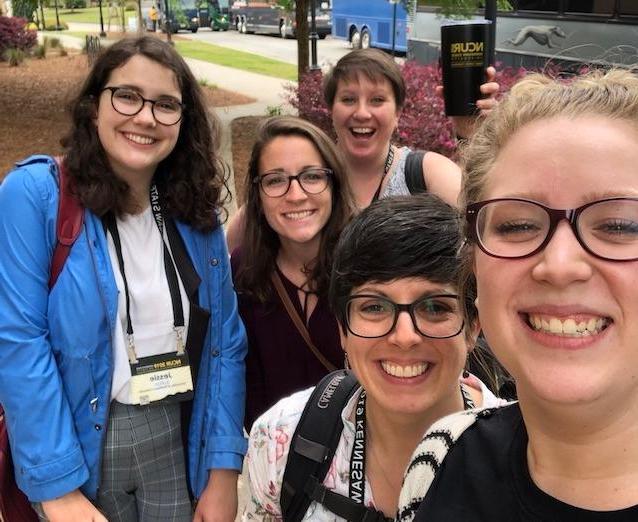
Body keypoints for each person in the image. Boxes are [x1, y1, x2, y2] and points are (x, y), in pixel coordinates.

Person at [0, 36, 247, 522]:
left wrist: (222, 470)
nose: (146, 117)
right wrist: (58, 489)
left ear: (184, 121)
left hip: (177, 438)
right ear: (95, 105)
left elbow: (225, 342)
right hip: (79, 443)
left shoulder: (194, 213)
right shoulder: (35, 195)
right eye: (128, 96)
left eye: (166, 104)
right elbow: (17, 340)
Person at [398, 69, 638, 521]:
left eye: (620, 225)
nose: (560, 264)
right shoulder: (441, 458)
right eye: (518, 225)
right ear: (474, 266)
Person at [242, 194, 505, 520]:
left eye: (435, 307)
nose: (405, 336)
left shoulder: (532, 461)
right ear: (343, 329)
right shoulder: (279, 441)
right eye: (375, 307)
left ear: (473, 326)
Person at [225, 49, 498, 252]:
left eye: (377, 100)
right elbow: (231, 243)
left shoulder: (423, 173)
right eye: (348, 99)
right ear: (331, 110)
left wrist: (472, 135)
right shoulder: (306, 176)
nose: (362, 112)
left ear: (398, 112)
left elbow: (490, 220)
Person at [231, 115, 355, 430]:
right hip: (278, 463)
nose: (295, 194)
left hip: (365, 458)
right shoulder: (242, 273)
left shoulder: (370, 265)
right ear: (257, 196)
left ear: (333, 184)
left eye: (311, 176)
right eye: (275, 180)